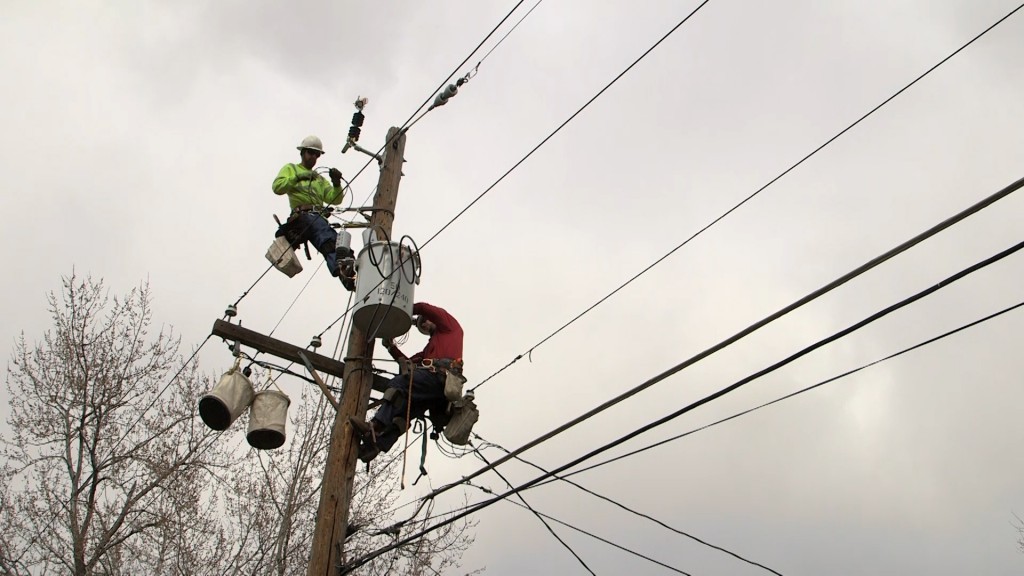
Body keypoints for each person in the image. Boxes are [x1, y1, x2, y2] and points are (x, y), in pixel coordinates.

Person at [350, 302, 464, 463]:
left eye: (424, 321)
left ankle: (375, 425)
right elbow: (408, 363)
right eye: (420, 325)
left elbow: (425, 308)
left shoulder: (449, 327)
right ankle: (376, 446)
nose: (423, 324)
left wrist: (401, 310)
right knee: (403, 413)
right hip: (435, 392)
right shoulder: (429, 350)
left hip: (441, 379)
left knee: (400, 383)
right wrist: (391, 347)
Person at [272, 135, 356, 290]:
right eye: (311, 153)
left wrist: (336, 183)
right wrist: (298, 177)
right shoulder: (291, 169)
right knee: (325, 234)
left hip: (316, 218)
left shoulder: (319, 179)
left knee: (335, 241)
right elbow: (277, 187)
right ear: (303, 152)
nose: (314, 157)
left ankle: (348, 273)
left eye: (317, 154)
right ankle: (342, 266)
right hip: (301, 218)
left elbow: (334, 199)